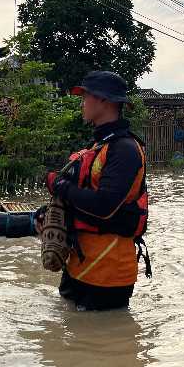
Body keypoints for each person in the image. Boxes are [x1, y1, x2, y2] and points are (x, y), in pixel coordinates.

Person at [40, 71, 149, 311]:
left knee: (103, 343)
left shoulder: (125, 150)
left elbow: (104, 206)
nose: (82, 103)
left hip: (108, 273)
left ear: (104, 100)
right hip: (78, 264)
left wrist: (61, 187)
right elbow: (82, 197)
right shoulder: (98, 146)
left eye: (86, 96)